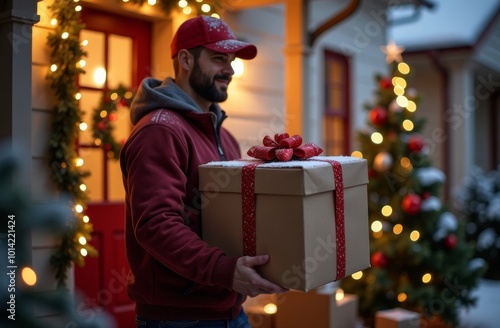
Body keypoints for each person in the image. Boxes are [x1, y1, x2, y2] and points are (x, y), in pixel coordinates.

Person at [120, 15, 288, 328]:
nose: (230, 69)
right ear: (185, 59)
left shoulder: (224, 136)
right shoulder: (160, 131)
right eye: (218, 58)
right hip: (178, 318)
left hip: (229, 309)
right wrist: (226, 271)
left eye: (232, 60)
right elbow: (156, 224)